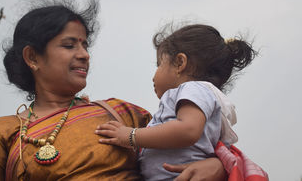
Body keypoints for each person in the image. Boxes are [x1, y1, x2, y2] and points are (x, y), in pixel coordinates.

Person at [0, 0, 227, 180]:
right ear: (33, 57)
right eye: (69, 45)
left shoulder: (122, 114)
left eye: (85, 45)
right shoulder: (5, 131)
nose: (84, 55)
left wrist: (217, 167)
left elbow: (194, 143)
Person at [96, 23, 258, 180]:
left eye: (159, 64)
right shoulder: (203, 96)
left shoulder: (193, 89)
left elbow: (188, 130)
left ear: (180, 63)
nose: (154, 75)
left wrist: (131, 135)